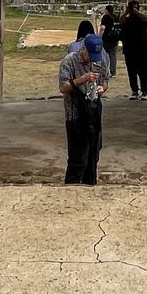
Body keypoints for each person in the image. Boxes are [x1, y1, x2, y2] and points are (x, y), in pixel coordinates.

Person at [58, 33, 110, 184]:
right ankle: (72, 186)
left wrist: (102, 88)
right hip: (75, 114)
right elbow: (63, 87)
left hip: (93, 112)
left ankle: (90, 183)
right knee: (78, 157)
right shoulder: (70, 61)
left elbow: (105, 81)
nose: (92, 60)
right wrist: (83, 79)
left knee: (94, 154)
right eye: (90, 55)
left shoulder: (101, 60)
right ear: (84, 49)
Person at [120, 0, 147, 100]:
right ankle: (134, 90)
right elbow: (121, 21)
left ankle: (145, 91)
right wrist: (127, 12)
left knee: (143, 70)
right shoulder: (125, 19)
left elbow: (145, 18)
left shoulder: (142, 19)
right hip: (129, 48)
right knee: (131, 71)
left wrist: (137, 12)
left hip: (141, 48)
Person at [99, 4, 120, 76]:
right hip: (115, 38)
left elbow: (102, 28)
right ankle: (113, 72)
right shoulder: (116, 17)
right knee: (113, 56)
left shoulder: (105, 17)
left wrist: (99, 37)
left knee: (104, 55)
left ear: (107, 10)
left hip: (106, 39)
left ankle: (104, 71)